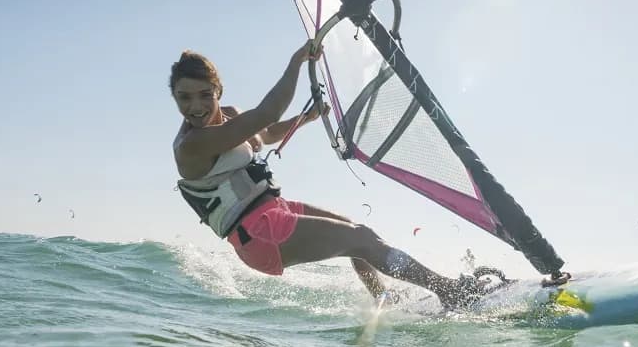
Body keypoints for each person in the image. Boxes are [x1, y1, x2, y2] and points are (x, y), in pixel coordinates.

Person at [169, 42, 487, 309]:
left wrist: (307, 117)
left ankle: (385, 300)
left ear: (218, 92)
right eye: (185, 97)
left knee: (356, 231)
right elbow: (267, 113)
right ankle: (451, 292)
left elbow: (265, 133)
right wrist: (297, 62)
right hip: (258, 235)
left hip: (274, 212)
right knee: (361, 240)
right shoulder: (192, 146)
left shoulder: (230, 117)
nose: (195, 106)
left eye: (204, 95)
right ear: (175, 97)